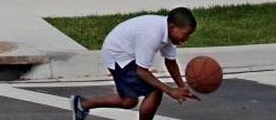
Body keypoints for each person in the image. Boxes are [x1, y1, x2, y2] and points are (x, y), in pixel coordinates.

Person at [70, 7, 199, 120]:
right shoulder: (152, 34)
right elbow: (141, 71)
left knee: (129, 101)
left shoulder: (169, 32)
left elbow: (170, 62)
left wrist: (182, 87)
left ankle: (82, 103)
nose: (187, 39)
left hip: (124, 53)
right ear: (172, 27)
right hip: (118, 55)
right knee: (154, 91)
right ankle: (82, 104)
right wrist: (170, 90)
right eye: (186, 34)